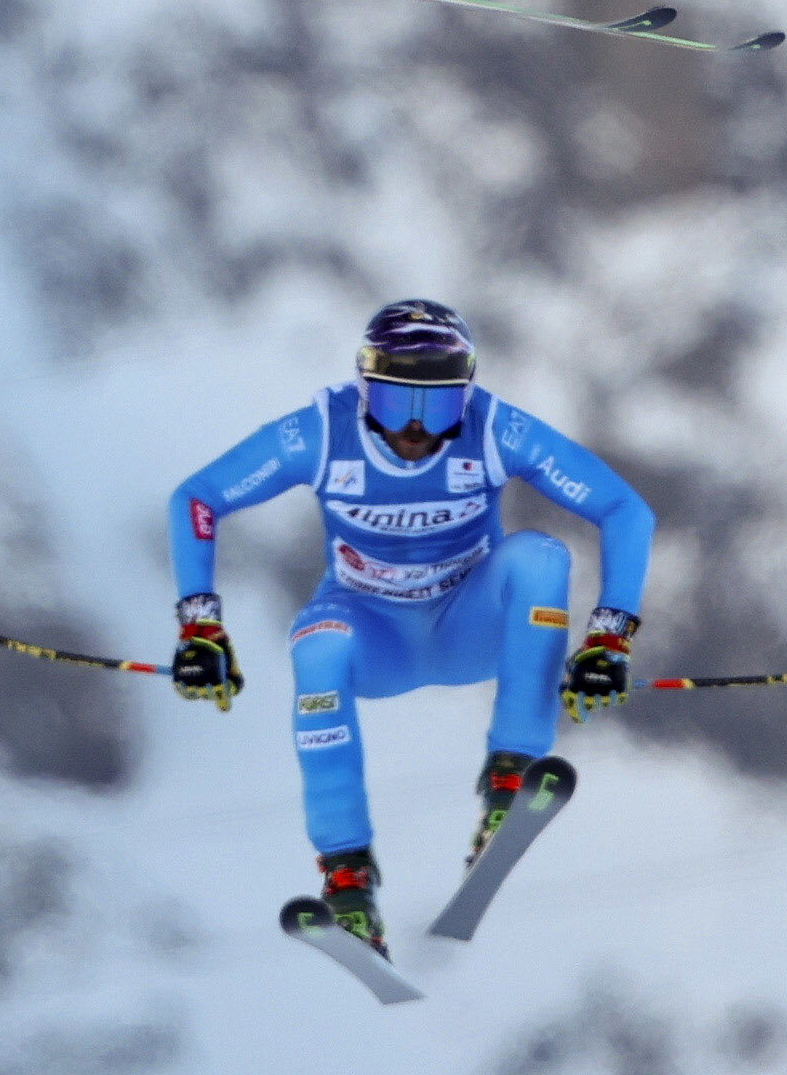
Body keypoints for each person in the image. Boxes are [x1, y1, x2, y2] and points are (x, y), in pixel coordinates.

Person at [164, 299, 653, 953]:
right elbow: (197, 498)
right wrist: (200, 626)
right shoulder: (318, 431)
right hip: (375, 638)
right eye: (397, 405)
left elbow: (624, 509)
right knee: (317, 648)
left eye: (440, 406)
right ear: (365, 389)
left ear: (467, 395)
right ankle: (346, 876)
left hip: (467, 627)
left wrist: (608, 639)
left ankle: (511, 779)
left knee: (539, 559)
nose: (416, 429)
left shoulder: (492, 428)